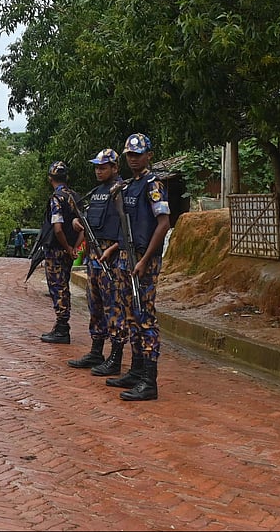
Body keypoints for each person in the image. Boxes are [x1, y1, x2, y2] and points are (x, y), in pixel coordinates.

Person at [107, 133, 171, 401]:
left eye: (138, 154)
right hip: (125, 257)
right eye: (129, 155)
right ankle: (135, 370)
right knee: (129, 315)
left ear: (149, 155)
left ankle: (149, 380)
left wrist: (145, 261)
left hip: (143, 259)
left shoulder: (152, 184)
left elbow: (164, 223)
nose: (133, 159)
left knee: (145, 318)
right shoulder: (128, 186)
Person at [68, 149, 127, 374]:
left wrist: (112, 249)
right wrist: (77, 224)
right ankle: (96, 351)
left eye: (103, 167)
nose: (98, 171)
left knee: (114, 307)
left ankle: (115, 356)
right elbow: (90, 220)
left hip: (110, 257)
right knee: (95, 306)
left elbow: (126, 227)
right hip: (94, 256)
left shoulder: (120, 190)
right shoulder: (97, 192)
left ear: (115, 168)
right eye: (97, 167)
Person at [39, 161, 81, 345]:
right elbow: (83, 227)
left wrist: (65, 247)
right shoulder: (76, 197)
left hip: (57, 249)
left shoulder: (57, 198)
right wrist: (74, 248)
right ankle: (60, 325)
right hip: (69, 249)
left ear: (50, 179)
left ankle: (62, 328)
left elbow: (57, 228)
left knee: (58, 287)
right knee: (64, 285)